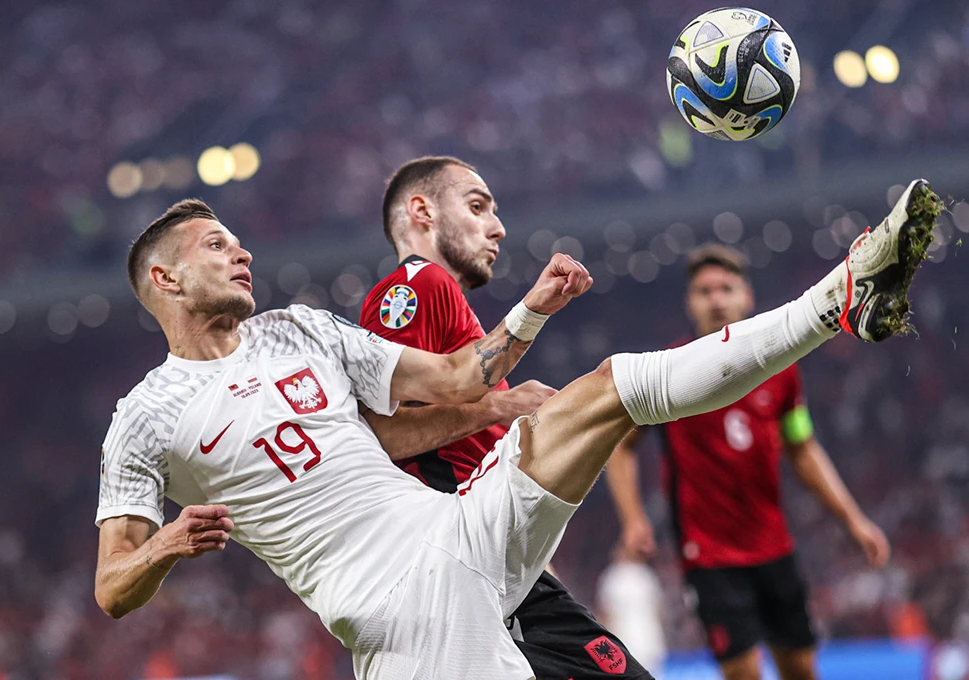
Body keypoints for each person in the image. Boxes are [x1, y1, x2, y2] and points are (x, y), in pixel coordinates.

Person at [94, 174, 939, 679]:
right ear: (165, 278)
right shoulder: (145, 417)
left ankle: (840, 298)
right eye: (216, 246)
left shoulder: (298, 330)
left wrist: (530, 312)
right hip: (400, 614)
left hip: (456, 528)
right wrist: (164, 545)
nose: (241, 253)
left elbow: (454, 379)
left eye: (237, 242)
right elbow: (111, 588)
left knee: (608, 387)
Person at [357, 156, 648, 679]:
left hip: (495, 563)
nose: (498, 227)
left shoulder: (447, 305)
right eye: (477, 207)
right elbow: (379, 437)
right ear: (422, 211)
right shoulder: (414, 288)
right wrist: (500, 405)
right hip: (467, 560)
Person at [605, 243, 893, 680]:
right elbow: (622, 446)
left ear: (747, 297)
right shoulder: (667, 371)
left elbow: (802, 447)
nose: (716, 299)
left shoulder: (782, 371)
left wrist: (854, 522)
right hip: (708, 557)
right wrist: (632, 518)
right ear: (690, 302)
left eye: (726, 288)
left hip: (774, 546)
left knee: (802, 670)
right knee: (743, 674)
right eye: (704, 291)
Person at [595, 555, 668, 678]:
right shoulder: (616, 577)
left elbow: (604, 616)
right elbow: (659, 612)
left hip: (636, 646)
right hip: (640, 644)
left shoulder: (641, 575)